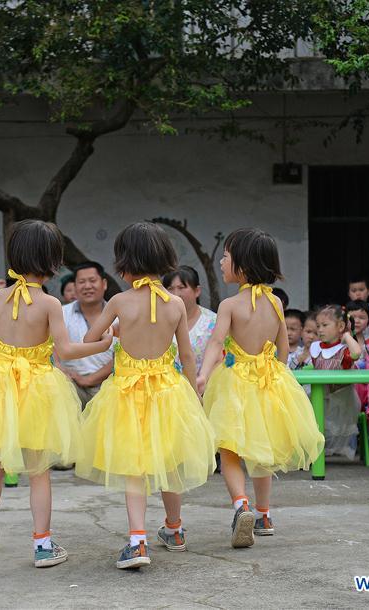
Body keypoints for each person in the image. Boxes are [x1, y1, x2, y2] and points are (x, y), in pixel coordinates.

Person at [0, 220, 112, 569]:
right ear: (51, 260)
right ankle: (42, 544)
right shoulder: (49, 303)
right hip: (37, 390)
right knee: (38, 470)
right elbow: (66, 350)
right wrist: (102, 345)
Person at [77, 222, 216, 570]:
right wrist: (193, 396)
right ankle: (175, 529)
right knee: (168, 461)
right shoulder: (175, 303)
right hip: (169, 391)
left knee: (134, 467)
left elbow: (91, 339)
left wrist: (114, 332)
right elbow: (187, 356)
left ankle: (137, 541)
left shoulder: (119, 301)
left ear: (124, 262)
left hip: (126, 393)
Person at [198, 228, 323, 550]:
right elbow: (283, 349)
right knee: (261, 451)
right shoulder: (276, 303)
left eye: (226, 257)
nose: (221, 262)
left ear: (243, 265)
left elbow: (216, 343)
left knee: (229, 449)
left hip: (234, 384)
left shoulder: (229, 305)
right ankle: (264, 515)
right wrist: (277, 381)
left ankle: (241, 505)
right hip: (269, 382)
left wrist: (203, 375)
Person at [309, 304, 363, 459]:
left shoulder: (343, 350)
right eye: (318, 326)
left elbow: (357, 353)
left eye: (325, 325)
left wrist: (347, 336)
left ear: (340, 326)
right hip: (320, 395)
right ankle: (313, 450)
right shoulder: (315, 348)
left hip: (342, 398)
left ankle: (330, 449)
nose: (320, 330)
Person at [58, 262, 115, 406]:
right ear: (75, 286)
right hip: (70, 384)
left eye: (92, 280)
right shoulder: (61, 313)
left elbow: (122, 355)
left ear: (104, 284)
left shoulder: (118, 314)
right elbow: (50, 348)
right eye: (82, 282)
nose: (87, 286)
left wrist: (90, 379)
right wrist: (61, 371)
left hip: (109, 384)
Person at [162, 265, 217, 372]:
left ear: (197, 291)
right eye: (170, 289)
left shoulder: (213, 322)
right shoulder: (158, 322)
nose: (176, 294)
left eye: (181, 288)